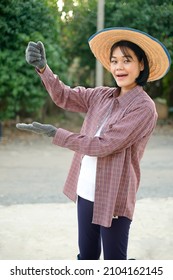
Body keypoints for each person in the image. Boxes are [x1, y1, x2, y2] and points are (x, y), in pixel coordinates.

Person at [16, 27, 171, 260]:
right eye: (114, 61)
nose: (119, 67)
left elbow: (102, 145)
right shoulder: (102, 95)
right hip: (86, 190)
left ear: (141, 64)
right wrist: (43, 69)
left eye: (126, 60)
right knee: (86, 258)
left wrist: (55, 134)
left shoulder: (144, 108)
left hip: (115, 196)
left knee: (113, 264)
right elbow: (64, 96)